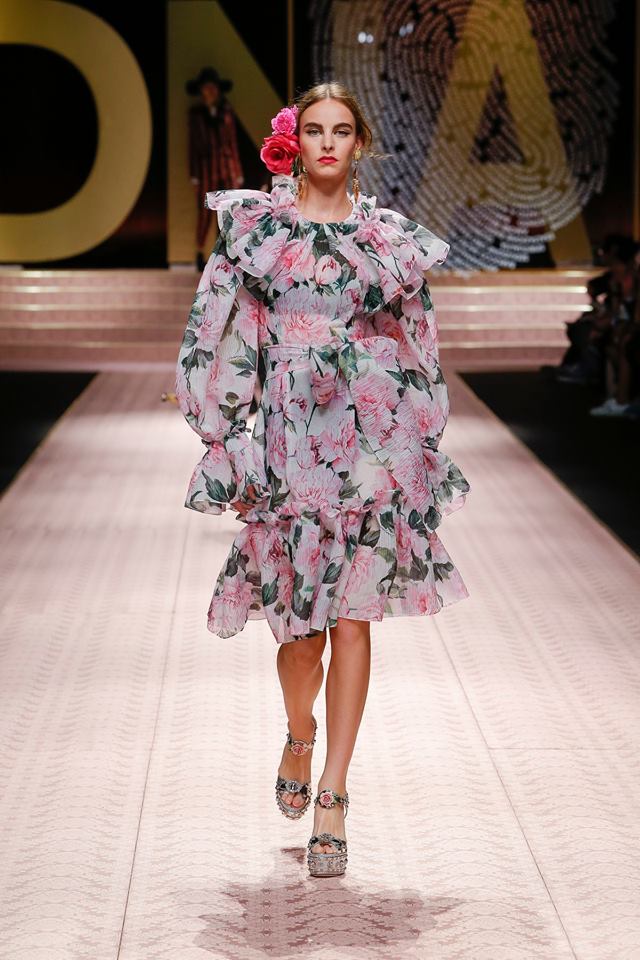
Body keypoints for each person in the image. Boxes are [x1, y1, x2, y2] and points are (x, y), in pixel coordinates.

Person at [174, 81, 471, 878]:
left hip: (368, 439)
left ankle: (335, 796)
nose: (329, 143)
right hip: (289, 441)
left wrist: (420, 439)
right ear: (293, 142)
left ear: (360, 143)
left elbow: (418, 342)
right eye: (315, 130)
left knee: (354, 620)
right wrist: (225, 435)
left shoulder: (388, 240)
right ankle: (299, 734)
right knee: (300, 634)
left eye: (342, 130)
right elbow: (218, 330)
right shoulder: (259, 232)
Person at [186, 66, 244, 271]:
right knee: (204, 213)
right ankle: (200, 253)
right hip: (205, 170)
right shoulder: (196, 114)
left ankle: (226, 254)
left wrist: (237, 172)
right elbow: (193, 146)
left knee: (227, 212)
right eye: (206, 88)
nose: (210, 91)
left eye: (213, 87)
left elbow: (232, 143)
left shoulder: (226, 111)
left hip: (226, 167)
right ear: (201, 91)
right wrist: (194, 175)